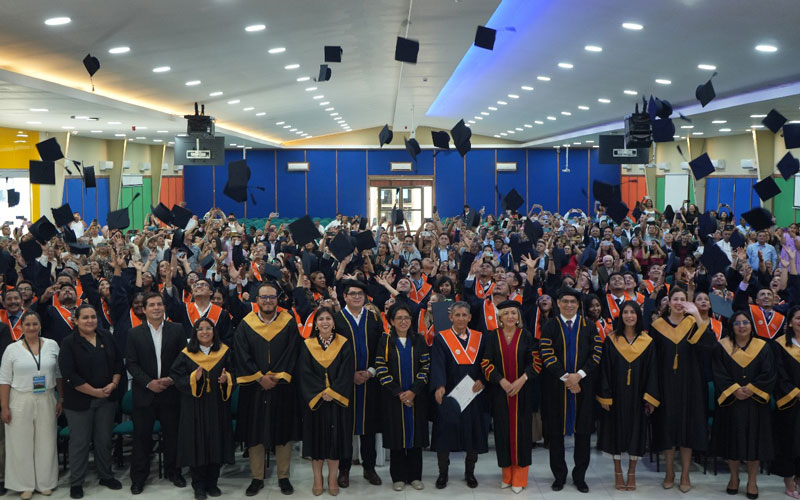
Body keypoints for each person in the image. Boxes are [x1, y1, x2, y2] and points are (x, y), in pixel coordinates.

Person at [233, 282, 302, 496]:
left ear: (277, 299)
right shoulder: (246, 324)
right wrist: (259, 377)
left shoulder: (288, 322)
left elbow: (293, 352)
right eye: (264, 297)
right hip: (254, 388)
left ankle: (284, 476)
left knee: (283, 432)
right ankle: (257, 477)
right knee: (255, 433)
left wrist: (277, 376)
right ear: (257, 300)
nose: (268, 301)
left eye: (272, 297)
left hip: (282, 387)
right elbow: (241, 354)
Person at [539, 286, 602, 493]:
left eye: (572, 302)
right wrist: (567, 378)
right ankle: (559, 476)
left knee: (583, 434)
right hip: (556, 387)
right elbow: (546, 353)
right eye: (564, 301)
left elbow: (596, 354)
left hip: (583, 387)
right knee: (555, 434)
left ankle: (579, 476)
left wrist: (579, 376)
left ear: (578, 304)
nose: (568, 305)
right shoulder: (550, 326)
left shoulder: (589, 326)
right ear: (558, 303)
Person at [649, 286, 713, 493]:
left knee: (688, 429)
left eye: (682, 299)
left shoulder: (694, 323)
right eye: (675, 299)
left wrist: (697, 315)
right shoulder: (657, 326)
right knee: (668, 428)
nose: (678, 302)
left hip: (691, 384)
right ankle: (669, 472)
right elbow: (652, 359)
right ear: (668, 302)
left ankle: (685, 474)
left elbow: (709, 347)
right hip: (666, 385)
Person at [58, 304, 125, 499]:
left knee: (104, 440)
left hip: (107, 397)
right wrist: (94, 392)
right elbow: (69, 375)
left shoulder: (106, 336)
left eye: (93, 317)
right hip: (79, 402)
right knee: (80, 443)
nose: (90, 321)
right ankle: (76, 482)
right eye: (85, 318)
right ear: (75, 320)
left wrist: (113, 384)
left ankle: (106, 475)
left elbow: (118, 363)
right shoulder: (69, 342)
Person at [125, 292, 187, 494]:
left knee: (173, 436)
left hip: (171, 392)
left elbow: (183, 359)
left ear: (164, 307)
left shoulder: (177, 329)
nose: (156, 308)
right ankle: (138, 478)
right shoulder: (134, 333)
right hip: (145, 394)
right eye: (151, 305)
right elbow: (132, 364)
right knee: (141, 438)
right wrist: (148, 382)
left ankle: (174, 472)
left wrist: (171, 379)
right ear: (144, 309)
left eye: (159, 304)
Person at [596, 301, 659, 492]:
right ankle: (617, 472)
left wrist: (650, 397)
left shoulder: (647, 342)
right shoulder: (611, 340)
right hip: (616, 395)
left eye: (633, 312)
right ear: (620, 315)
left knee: (636, 434)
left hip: (638, 397)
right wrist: (605, 396)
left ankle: (631, 473)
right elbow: (604, 370)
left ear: (639, 316)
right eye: (626, 312)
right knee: (614, 433)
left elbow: (653, 371)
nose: (629, 315)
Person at [170, 317, 235, 500]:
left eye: (208, 328)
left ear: (214, 331)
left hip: (217, 406)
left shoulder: (224, 352)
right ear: (195, 332)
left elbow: (235, 372)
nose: (205, 332)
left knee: (216, 442)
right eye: (200, 329)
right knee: (196, 444)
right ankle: (198, 485)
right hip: (194, 407)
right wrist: (193, 378)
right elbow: (176, 375)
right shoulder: (186, 354)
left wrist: (227, 379)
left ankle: (212, 483)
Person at [712, 311, 775, 499]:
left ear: (751, 325)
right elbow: (718, 372)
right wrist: (734, 390)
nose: (742, 326)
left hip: (755, 403)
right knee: (733, 442)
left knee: (754, 444)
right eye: (737, 323)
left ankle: (752, 481)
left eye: (745, 322)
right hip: (732, 403)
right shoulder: (723, 346)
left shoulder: (763, 347)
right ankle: (733, 478)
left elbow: (769, 373)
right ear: (732, 326)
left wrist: (752, 388)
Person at [0, 311, 63, 499]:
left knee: (47, 440)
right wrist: (4, 407)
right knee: (20, 443)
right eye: (27, 324)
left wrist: (61, 398)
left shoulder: (52, 345)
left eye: (35, 324)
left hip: (47, 396)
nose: (31, 327)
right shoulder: (12, 349)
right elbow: (4, 380)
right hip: (20, 398)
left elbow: (59, 373)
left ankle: (45, 482)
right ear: (21, 327)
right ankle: (24, 484)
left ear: (40, 325)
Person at [481, 300, 539, 493]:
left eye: (514, 313)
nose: (510, 317)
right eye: (506, 313)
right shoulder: (492, 337)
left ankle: (520, 478)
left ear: (518, 317)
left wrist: (521, 380)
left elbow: (536, 362)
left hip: (522, 392)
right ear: (499, 317)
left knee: (522, 434)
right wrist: (501, 381)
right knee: (502, 433)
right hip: (500, 392)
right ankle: (507, 474)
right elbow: (486, 363)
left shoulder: (526, 336)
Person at [430, 301, 489, 489]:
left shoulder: (480, 338)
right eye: (457, 315)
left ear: (470, 317)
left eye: (465, 315)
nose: (461, 319)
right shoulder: (441, 338)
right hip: (450, 394)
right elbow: (437, 364)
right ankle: (443, 474)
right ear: (450, 317)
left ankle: (470, 473)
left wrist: (483, 379)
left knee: (473, 435)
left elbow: (486, 362)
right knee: (444, 435)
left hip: (473, 393)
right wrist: (439, 385)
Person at [297, 306, 354, 496]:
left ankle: (332, 478)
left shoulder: (344, 343)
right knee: (316, 441)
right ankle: (317, 478)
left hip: (336, 402)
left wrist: (334, 391)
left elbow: (347, 371)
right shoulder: (307, 344)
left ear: (334, 322)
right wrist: (321, 392)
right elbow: (304, 373)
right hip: (316, 402)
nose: (325, 322)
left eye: (328, 319)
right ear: (316, 324)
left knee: (334, 441)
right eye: (321, 319)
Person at [332, 280, 383, 488]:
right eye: (352, 293)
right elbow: (332, 354)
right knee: (346, 427)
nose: (356, 297)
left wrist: (371, 371)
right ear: (345, 296)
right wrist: (350, 374)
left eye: (360, 293)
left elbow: (381, 348)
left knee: (368, 426)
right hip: (345, 383)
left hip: (370, 381)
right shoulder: (337, 319)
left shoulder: (373, 318)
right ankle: (344, 470)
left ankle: (369, 468)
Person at [374, 304, 430, 491]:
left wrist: (413, 391)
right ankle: (398, 477)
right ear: (391, 321)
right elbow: (381, 367)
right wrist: (399, 392)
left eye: (406, 317)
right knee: (396, 436)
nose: (403, 321)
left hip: (416, 397)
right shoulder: (386, 341)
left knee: (415, 437)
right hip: (393, 398)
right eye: (399, 318)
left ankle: (415, 476)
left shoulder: (419, 340)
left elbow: (425, 367)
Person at [774, 306, 800, 498]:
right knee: (789, 441)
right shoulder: (780, 344)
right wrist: (795, 392)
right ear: (790, 322)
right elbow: (779, 374)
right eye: (798, 318)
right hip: (790, 401)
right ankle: (789, 481)